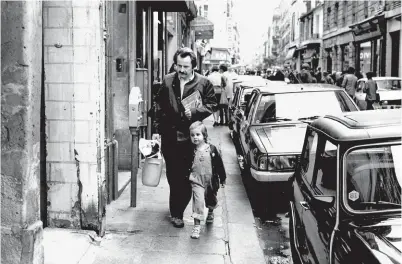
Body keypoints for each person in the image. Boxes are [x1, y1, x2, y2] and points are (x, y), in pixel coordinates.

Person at [152, 47, 217, 228]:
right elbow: (159, 105)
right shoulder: (168, 80)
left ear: (193, 66)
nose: (181, 70)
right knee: (173, 176)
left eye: (185, 67)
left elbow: (212, 104)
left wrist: (195, 112)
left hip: (192, 138)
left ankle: (177, 210)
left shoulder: (204, 83)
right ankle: (176, 212)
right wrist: (157, 129)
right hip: (170, 137)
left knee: (189, 176)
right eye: (178, 65)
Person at [188, 121, 226, 239]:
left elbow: (219, 165)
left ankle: (210, 211)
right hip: (196, 181)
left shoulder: (212, 149)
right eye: (192, 135)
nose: (195, 137)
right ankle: (197, 226)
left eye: (198, 134)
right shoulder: (191, 151)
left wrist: (223, 178)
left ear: (204, 135)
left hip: (210, 180)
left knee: (211, 198)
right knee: (198, 202)